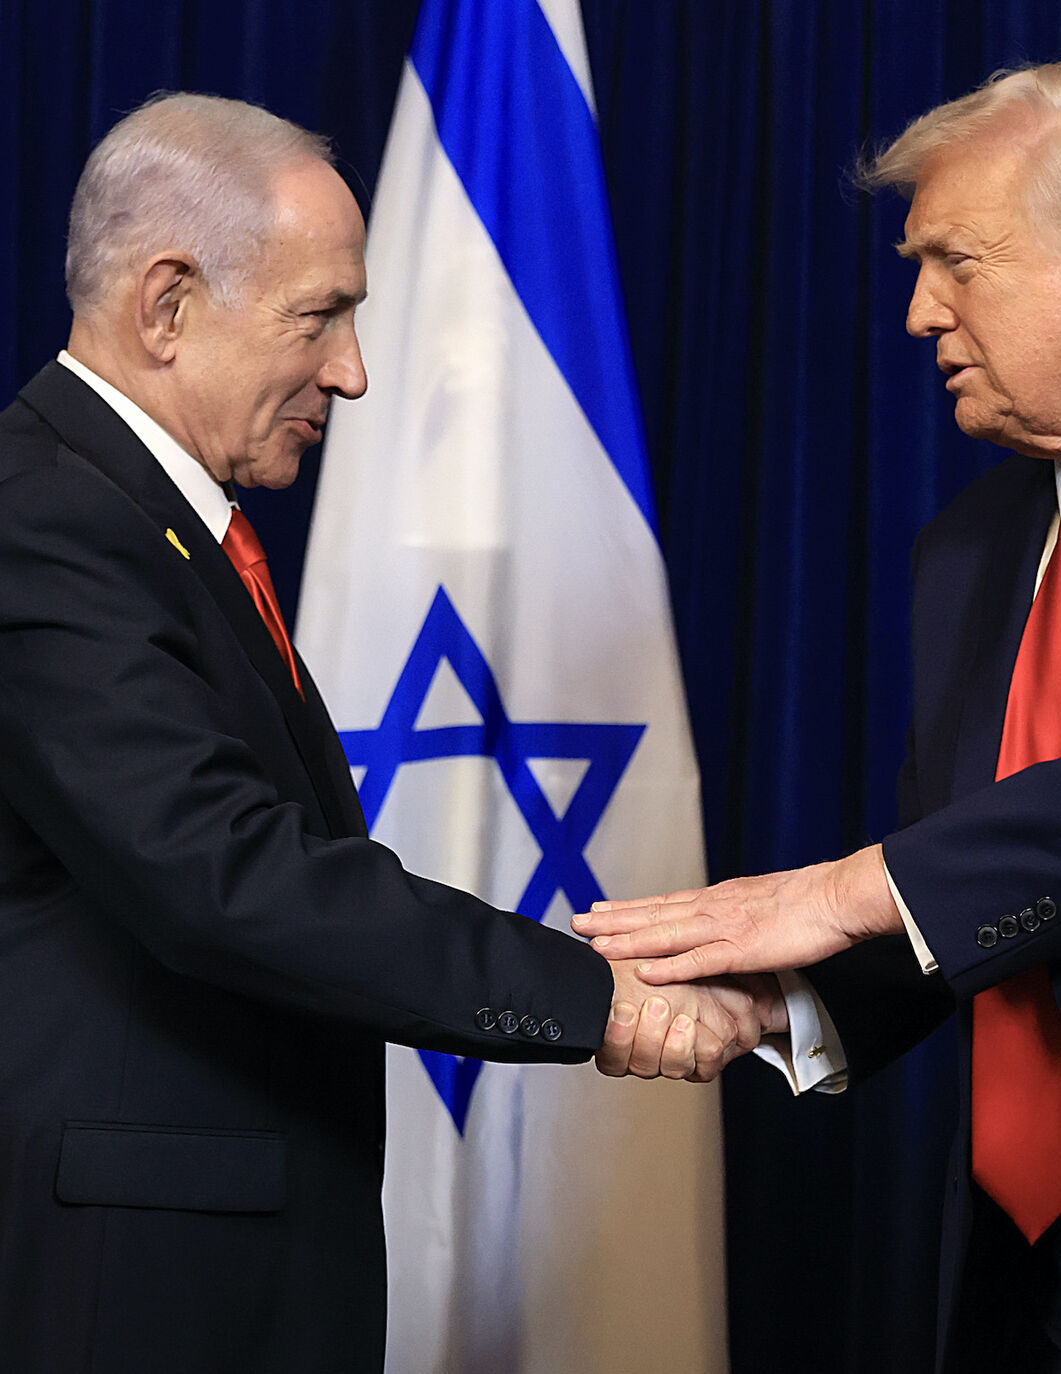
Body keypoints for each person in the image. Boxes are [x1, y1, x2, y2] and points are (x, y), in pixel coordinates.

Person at [0, 93, 783, 1373]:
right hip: (131, 1281)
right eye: (320, 316)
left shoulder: (148, 525)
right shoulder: (39, 523)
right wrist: (597, 997)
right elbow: (220, 876)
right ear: (166, 305)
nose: (353, 371)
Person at [577, 61, 1061, 1373]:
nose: (916, 312)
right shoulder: (973, 541)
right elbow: (971, 875)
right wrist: (778, 1002)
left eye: (957, 261)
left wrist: (846, 888)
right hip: (1023, 1262)